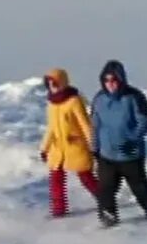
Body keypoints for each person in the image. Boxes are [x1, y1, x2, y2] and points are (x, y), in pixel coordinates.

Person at [89, 59, 147, 224]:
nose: (111, 84)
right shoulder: (99, 99)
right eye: (107, 80)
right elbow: (95, 125)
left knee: (139, 187)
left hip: (130, 154)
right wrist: (94, 148)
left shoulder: (134, 97)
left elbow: (144, 122)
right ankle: (108, 217)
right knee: (106, 189)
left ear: (121, 79)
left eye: (114, 80)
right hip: (107, 155)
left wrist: (133, 140)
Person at [35, 68, 99, 219]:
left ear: (63, 82)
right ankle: (59, 210)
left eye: (55, 82)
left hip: (75, 146)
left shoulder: (74, 101)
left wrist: (93, 145)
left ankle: (104, 198)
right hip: (58, 149)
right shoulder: (51, 104)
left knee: (86, 176)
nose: (53, 86)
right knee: (56, 179)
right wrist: (44, 148)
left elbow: (85, 124)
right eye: (49, 83)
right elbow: (51, 128)